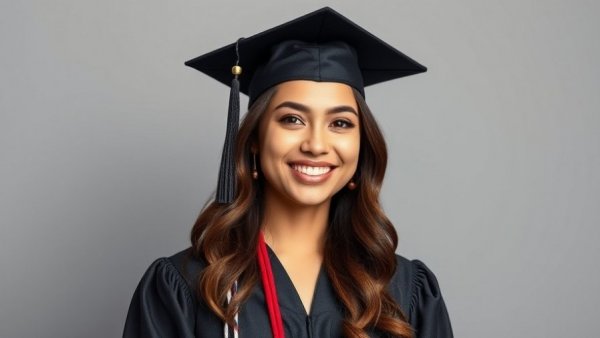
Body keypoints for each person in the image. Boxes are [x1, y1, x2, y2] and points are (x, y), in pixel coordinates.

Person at [123, 7, 453, 338]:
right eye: (292, 119)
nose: (316, 144)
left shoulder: (404, 290)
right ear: (254, 139)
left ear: (362, 144)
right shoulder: (188, 287)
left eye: (340, 123)